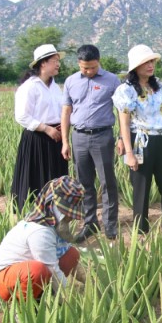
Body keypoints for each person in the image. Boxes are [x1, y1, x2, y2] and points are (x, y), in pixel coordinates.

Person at [112, 44, 162, 233]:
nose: (150, 65)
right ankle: (141, 233)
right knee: (141, 190)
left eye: (152, 61)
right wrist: (129, 153)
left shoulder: (158, 86)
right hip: (140, 142)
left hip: (161, 141)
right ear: (135, 67)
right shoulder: (125, 90)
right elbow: (124, 124)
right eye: (145, 62)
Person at [0, 176, 85, 301]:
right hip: (1, 278)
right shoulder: (40, 232)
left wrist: (90, 283)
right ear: (53, 206)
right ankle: (24, 308)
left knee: (71, 254)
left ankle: (45, 295)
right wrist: (71, 300)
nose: (72, 218)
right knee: (37, 271)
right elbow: (52, 270)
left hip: (29, 271)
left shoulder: (53, 224)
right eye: (69, 213)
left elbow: (64, 256)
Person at [61, 45, 122, 243]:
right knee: (84, 183)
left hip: (102, 136)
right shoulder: (70, 81)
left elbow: (122, 111)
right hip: (78, 137)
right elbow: (66, 111)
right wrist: (65, 141)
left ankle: (110, 223)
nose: (88, 72)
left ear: (99, 61)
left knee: (107, 181)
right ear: (79, 63)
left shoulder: (112, 80)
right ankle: (90, 223)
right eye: (84, 68)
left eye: (92, 68)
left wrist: (122, 136)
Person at [11, 44, 68, 213]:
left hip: (56, 137)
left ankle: (54, 214)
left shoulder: (55, 87)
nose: (58, 64)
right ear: (43, 63)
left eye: (58, 61)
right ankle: (33, 214)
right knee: (36, 177)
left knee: (55, 177)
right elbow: (21, 115)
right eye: (54, 61)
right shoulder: (29, 87)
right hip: (38, 138)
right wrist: (46, 129)